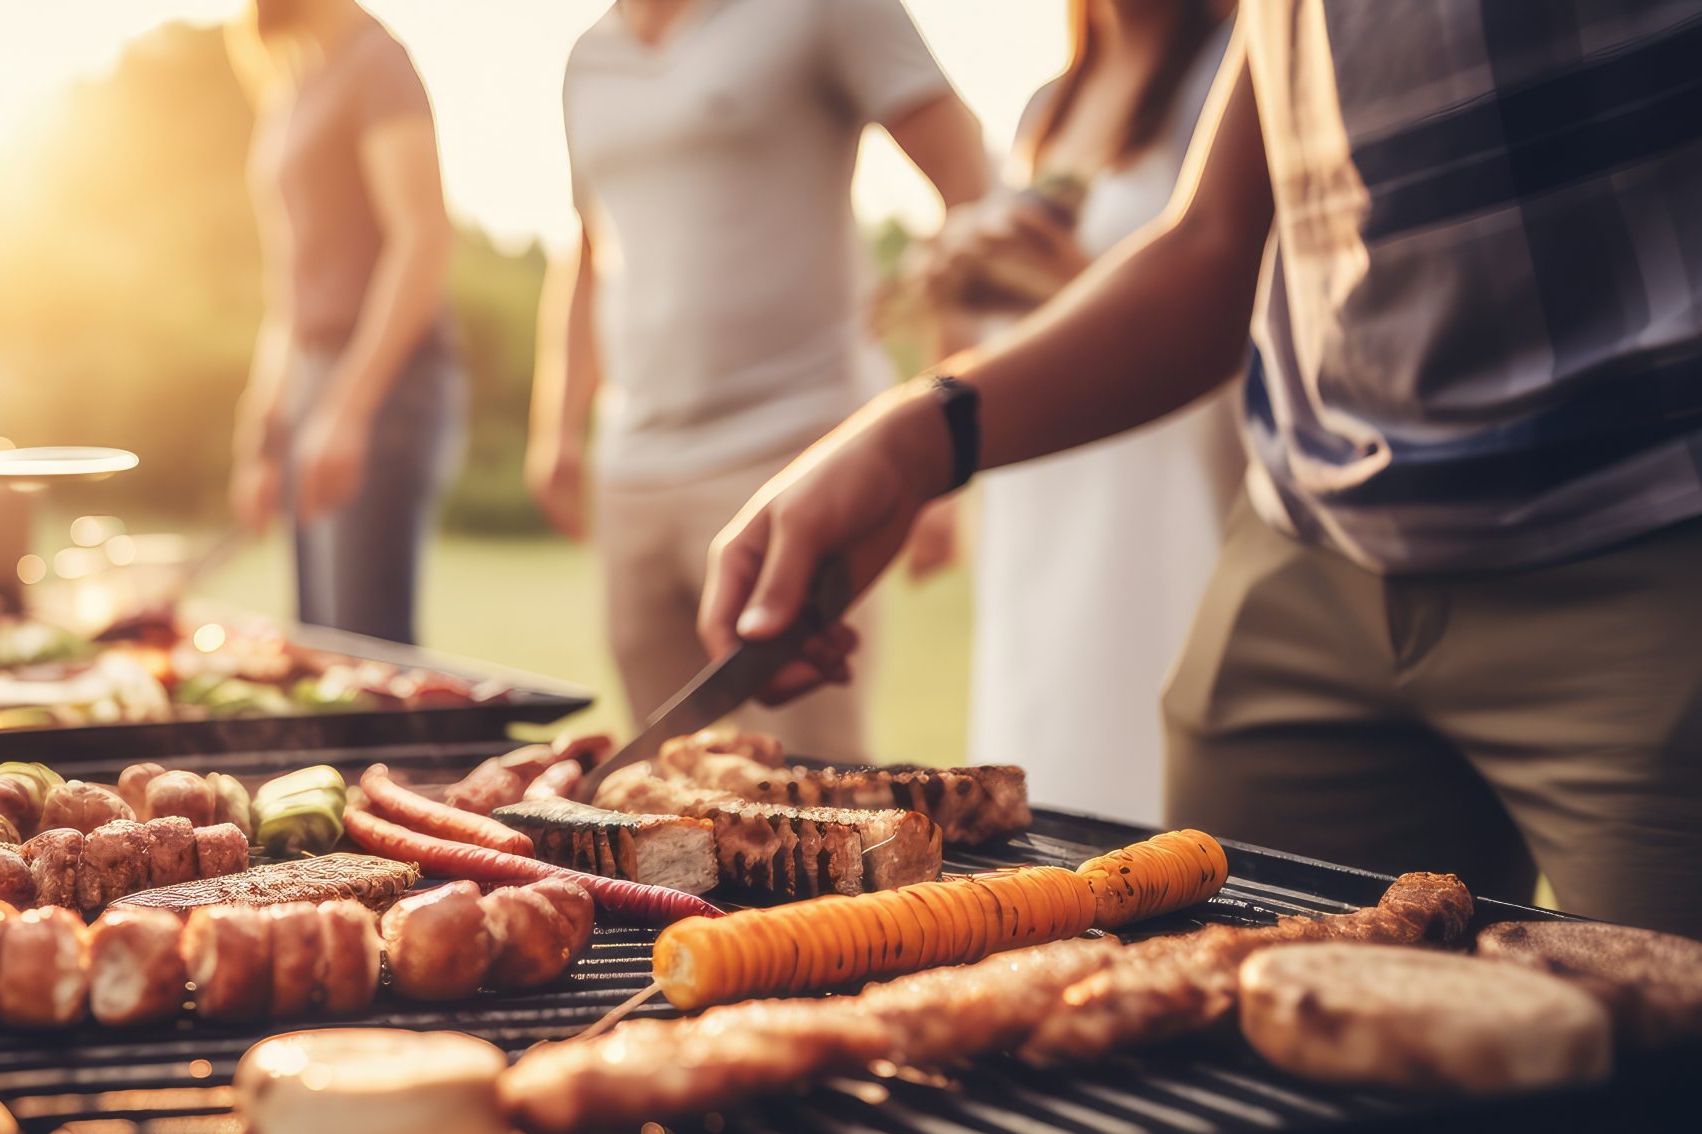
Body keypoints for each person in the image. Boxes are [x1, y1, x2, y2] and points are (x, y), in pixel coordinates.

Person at [701, 0, 1702, 937]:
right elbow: (1212, 247)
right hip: (1305, 567)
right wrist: (908, 439)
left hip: (1649, 537)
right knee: (1238, 1041)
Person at [525, 0, 990, 757]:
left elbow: (968, 177)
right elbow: (587, 249)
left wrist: (940, 428)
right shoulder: (588, 58)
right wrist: (558, 427)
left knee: (813, 794)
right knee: (660, 793)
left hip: (798, 449)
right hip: (633, 472)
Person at [908, 0, 1241, 823]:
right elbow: (992, 330)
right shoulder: (1042, 108)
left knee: (1141, 750)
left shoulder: (1226, 69)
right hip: (1037, 484)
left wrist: (1069, 281)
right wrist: (963, 275)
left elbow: (1231, 301)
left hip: (1160, 475)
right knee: (1041, 727)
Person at [228, 0, 461, 647]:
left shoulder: (378, 63)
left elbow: (423, 238)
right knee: (316, 644)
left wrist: (349, 407)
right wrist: (266, 436)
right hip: (312, 373)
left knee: (363, 648)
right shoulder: (298, 82)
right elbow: (291, 283)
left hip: (385, 377)